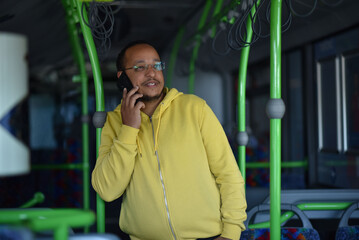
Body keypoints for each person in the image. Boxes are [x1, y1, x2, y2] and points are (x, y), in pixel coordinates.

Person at [91, 41, 247, 240]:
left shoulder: (195, 108)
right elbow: (107, 190)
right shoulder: (114, 123)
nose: (151, 73)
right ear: (122, 78)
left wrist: (231, 233)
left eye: (156, 65)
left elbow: (228, 174)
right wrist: (129, 129)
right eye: (140, 67)